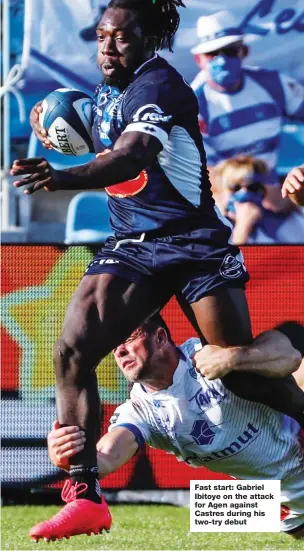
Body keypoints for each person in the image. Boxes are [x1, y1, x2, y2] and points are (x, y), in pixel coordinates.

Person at [10, 0, 304, 539]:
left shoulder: (161, 88)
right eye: (101, 35)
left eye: (120, 38)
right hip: (134, 244)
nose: (107, 46)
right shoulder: (105, 90)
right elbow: (89, 126)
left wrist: (61, 174)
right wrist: (49, 125)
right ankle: (84, 494)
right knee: (72, 348)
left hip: (194, 243)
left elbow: (131, 157)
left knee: (241, 376)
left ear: (147, 39)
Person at [31, 314, 304, 542]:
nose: (119, 351)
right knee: (214, 508)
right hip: (287, 505)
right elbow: (105, 457)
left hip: (297, 448)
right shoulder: (139, 411)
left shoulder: (206, 356)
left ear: (160, 338)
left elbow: (291, 352)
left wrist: (235, 358)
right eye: (114, 347)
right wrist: (72, 459)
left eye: (127, 339)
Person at [190, 10, 304, 214]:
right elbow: (206, 173)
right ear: (199, 59)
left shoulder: (274, 83)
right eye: (212, 53)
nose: (221, 60)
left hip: (277, 191)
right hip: (225, 194)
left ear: (244, 51)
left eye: (229, 51)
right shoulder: (190, 103)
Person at [214, 156, 304, 244]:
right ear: (221, 191)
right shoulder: (214, 228)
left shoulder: (281, 217)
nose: (244, 192)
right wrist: (243, 227)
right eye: (236, 187)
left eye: (253, 187)